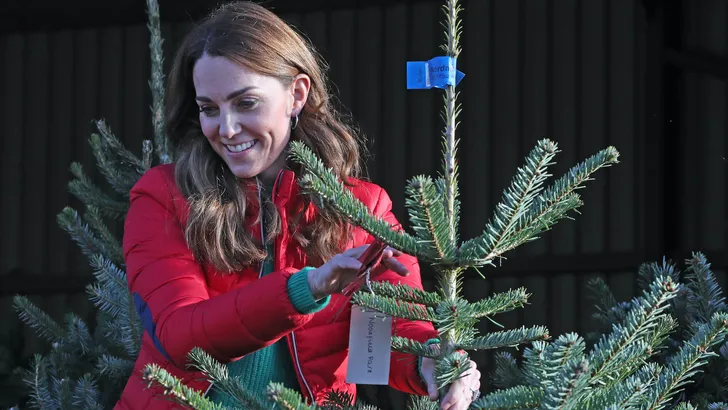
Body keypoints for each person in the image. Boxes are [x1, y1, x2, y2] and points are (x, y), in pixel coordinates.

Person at [114, 2, 481, 409]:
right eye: (209, 109)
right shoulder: (164, 197)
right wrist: (308, 288)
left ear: (297, 94)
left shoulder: (361, 207)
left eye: (246, 102)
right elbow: (180, 337)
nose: (227, 128)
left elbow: (394, 330)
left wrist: (433, 362)